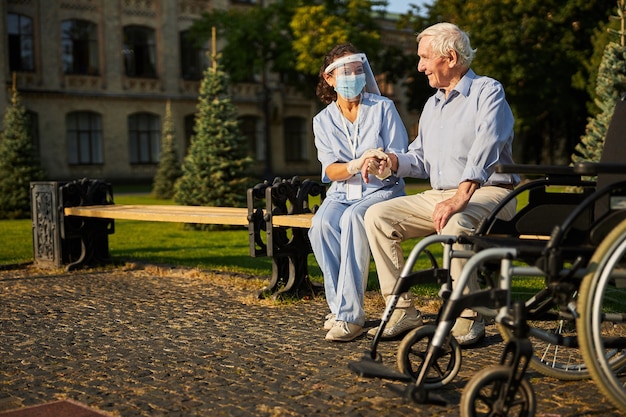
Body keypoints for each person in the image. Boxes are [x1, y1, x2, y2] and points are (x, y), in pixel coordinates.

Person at [364, 22, 519, 345]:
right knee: (377, 216)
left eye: (424, 58)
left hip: (491, 192)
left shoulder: (488, 91)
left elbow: (487, 146)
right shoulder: (433, 105)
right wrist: (392, 162)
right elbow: (420, 159)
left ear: (449, 57)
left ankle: (468, 313)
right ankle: (402, 308)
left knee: (454, 220)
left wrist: (461, 195)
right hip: (442, 193)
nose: (419, 66)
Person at [309, 43, 409, 342]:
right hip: (341, 192)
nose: (353, 76)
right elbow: (330, 171)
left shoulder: (383, 108)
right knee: (321, 226)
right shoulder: (322, 121)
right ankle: (341, 308)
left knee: (353, 219)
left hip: (383, 190)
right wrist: (355, 163)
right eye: (345, 72)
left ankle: (351, 317)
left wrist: (382, 164)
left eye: (357, 71)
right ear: (329, 79)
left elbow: (400, 155)